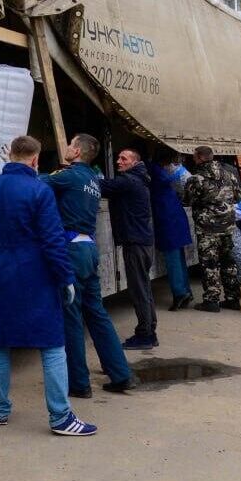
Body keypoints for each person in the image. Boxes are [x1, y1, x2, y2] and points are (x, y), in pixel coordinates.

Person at [0, 135, 96, 435]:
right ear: (36, 159)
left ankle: (0, 410)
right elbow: (52, 241)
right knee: (51, 345)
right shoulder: (40, 190)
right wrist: (65, 278)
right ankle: (61, 417)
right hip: (35, 276)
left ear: (10, 155)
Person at [41, 135, 136, 397]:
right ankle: (120, 374)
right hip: (88, 249)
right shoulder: (93, 178)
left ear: (78, 150)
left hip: (71, 250)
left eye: (70, 145)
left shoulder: (68, 176)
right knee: (97, 313)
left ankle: (78, 383)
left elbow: (38, 182)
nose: (67, 148)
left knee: (71, 317)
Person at [99, 149, 158, 350]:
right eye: (118, 158)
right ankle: (149, 331)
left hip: (136, 242)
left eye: (124, 159)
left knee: (139, 289)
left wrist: (81, 173)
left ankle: (145, 335)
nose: (118, 161)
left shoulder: (129, 181)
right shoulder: (138, 179)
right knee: (144, 287)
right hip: (142, 241)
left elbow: (100, 186)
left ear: (135, 162)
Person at [181, 146, 241, 313]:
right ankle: (233, 298)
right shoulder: (229, 174)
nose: (193, 159)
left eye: (194, 156)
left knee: (210, 263)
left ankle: (211, 300)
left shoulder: (196, 178)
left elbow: (187, 200)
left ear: (200, 158)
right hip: (228, 226)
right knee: (229, 262)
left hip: (207, 228)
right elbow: (240, 197)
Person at [150, 152, 194, 311]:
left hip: (167, 220)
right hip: (175, 218)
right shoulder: (165, 173)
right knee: (179, 258)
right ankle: (185, 291)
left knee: (173, 259)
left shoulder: (154, 171)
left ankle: (180, 293)